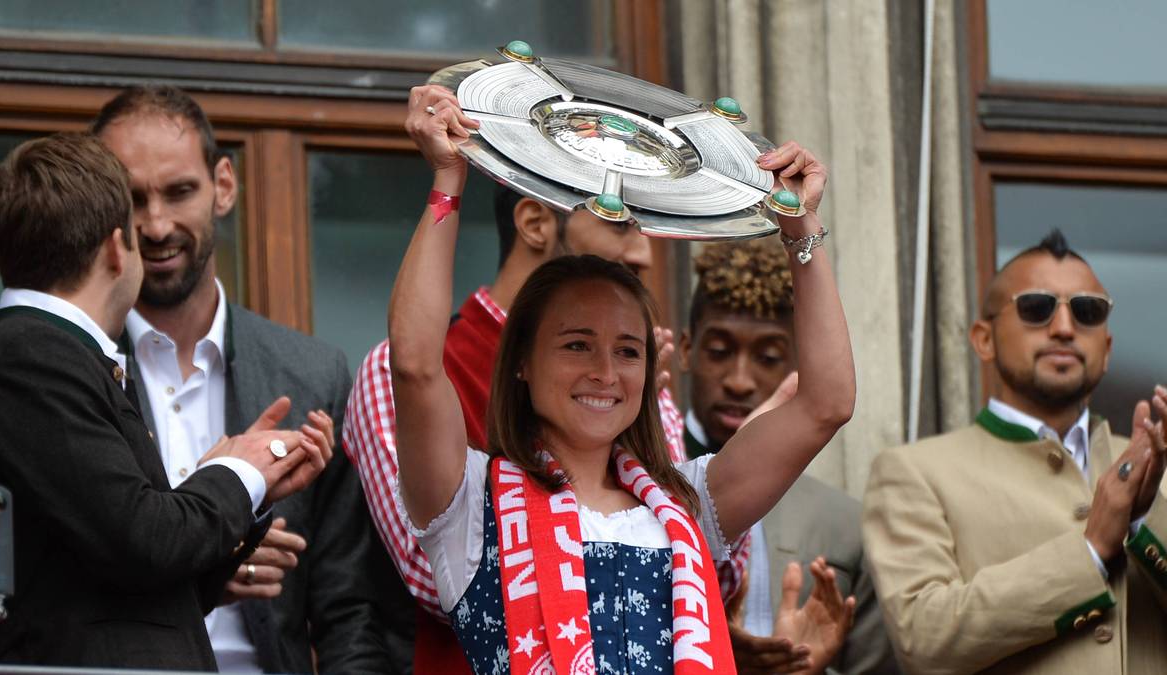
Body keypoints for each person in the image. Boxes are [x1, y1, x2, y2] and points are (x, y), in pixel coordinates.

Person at [387, 85, 856, 672]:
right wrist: (449, 178)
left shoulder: (689, 504)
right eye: (577, 344)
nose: (605, 373)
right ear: (522, 362)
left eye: (628, 351)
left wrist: (799, 226)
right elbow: (413, 364)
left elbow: (826, 405)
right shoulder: (467, 503)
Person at [343, 85, 696, 673]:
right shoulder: (405, 368)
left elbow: (706, 564)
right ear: (534, 222)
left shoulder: (634, 385)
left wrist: (648, 412)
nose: (644, 256)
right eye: (620, 223)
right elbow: (431, 572)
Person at [0, 132, 331, 669]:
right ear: (119, 248)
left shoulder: (51, 355)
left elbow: (135, 590)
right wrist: (237, 470)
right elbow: (145, 540)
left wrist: (246, 488)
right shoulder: (31, 358)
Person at [90, 86, 404, 674]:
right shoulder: (71, 374)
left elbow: (349, 613)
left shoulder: (312, 375)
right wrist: (204, 568)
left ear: (224, 186)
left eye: (179, 191)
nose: (156, 225)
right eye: (131, 199)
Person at [862, 230, 1167, 674]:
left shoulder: (1157, 467)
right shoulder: (914, 473)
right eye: (1036, 307)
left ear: (1107, 348)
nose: (1064, 328)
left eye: (1087, 311)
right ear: (984, 339)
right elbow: (921, 637)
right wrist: (1091, 551)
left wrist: (1144, 519)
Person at [680, 239, 899, 674]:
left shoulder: (845, 525)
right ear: (686, 350)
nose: (740, 380)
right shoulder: (637, 491)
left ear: (800, 364)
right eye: (720, 351)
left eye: (768, 357)